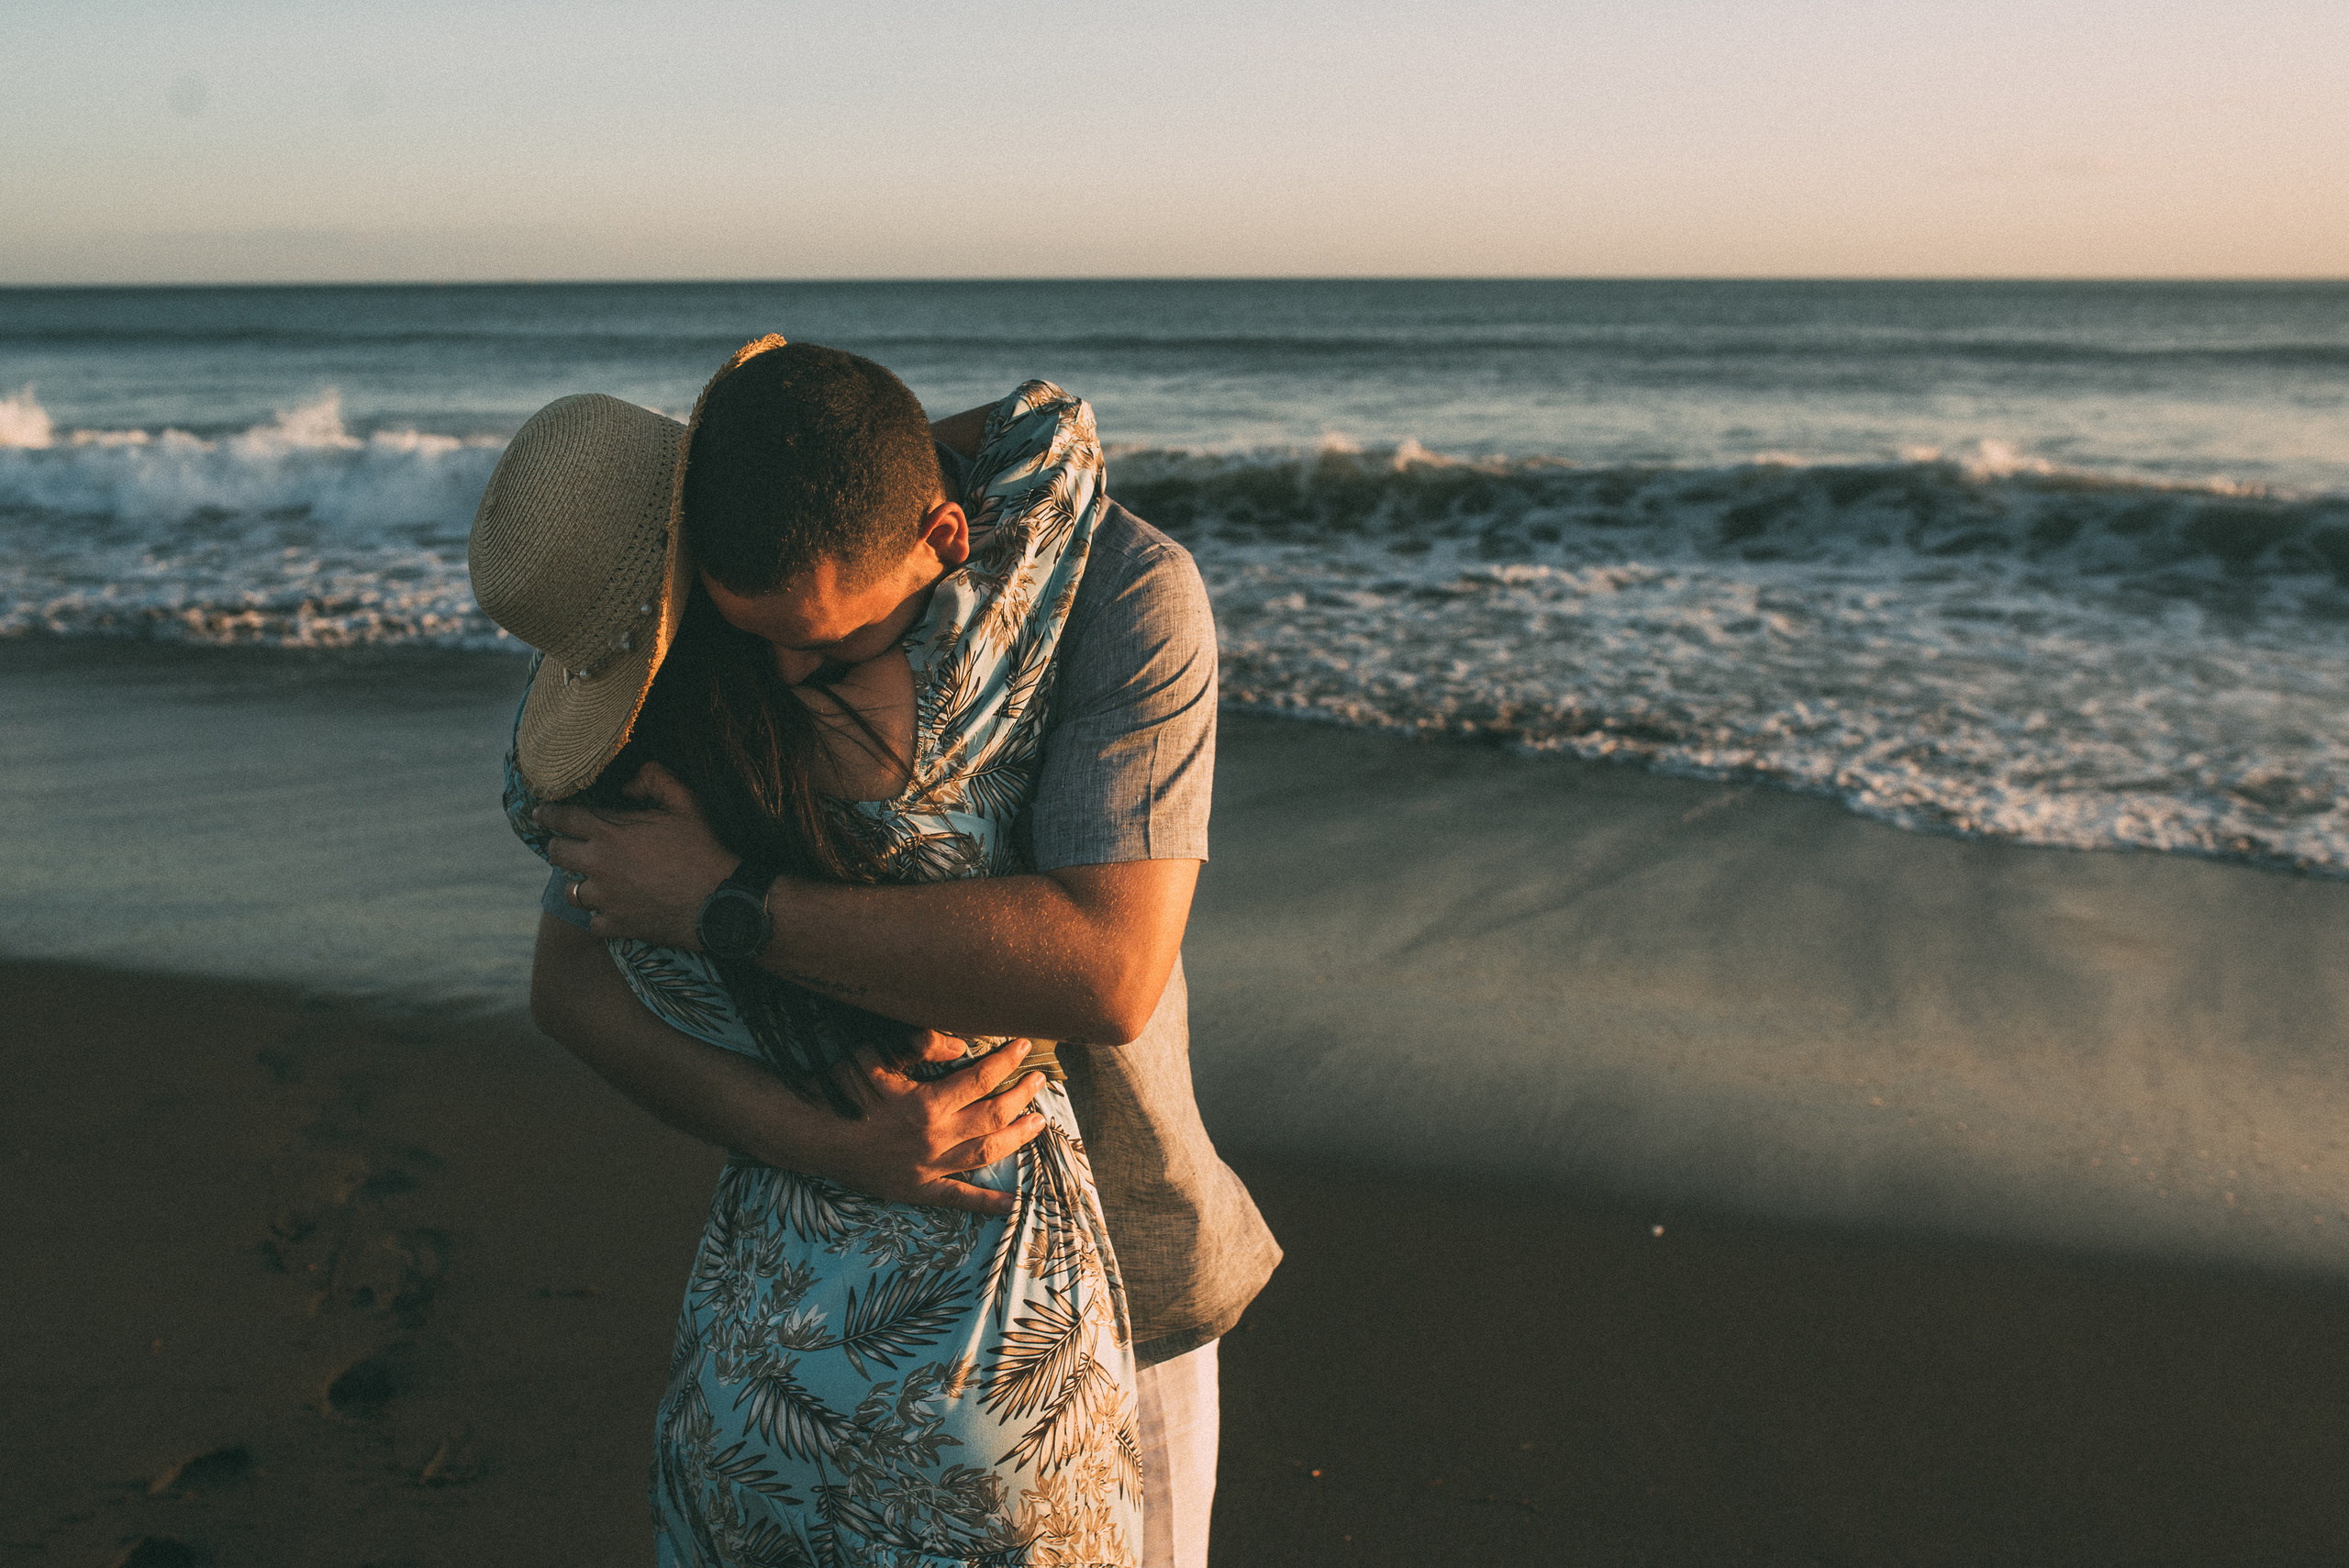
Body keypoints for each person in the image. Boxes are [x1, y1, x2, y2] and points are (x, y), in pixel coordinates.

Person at [481, 338, 1276, 1568]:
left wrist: (728, 902)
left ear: (947, 540)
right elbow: (569, 977)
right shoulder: (715, 618)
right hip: (811, 1295)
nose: (791, 678)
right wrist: (821, 1137)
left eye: (836, 651)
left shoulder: (1118, 590)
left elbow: (1108, 972)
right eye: (765, 647)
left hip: (1120, 1236)